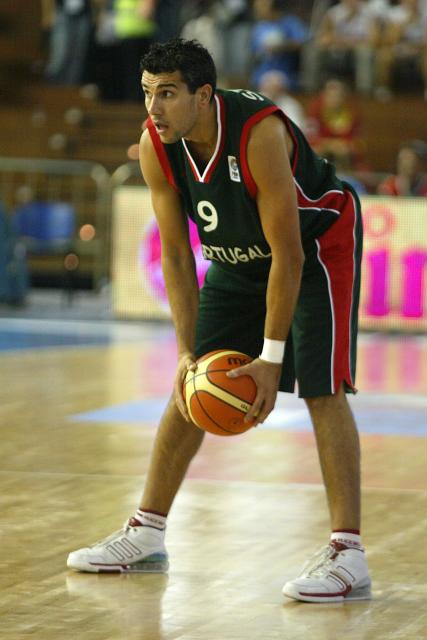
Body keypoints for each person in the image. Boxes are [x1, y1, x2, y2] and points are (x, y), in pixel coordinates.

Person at [67, 38, 371, 604]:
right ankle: (147, 532)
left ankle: (347, 553)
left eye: (167, 94)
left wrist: (270, 360)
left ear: (204, 95)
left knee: (322, 388)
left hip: (314, 247)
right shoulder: (156, 145)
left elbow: (288, 255)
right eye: (147, 93)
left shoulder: (259, 133)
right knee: (192, 384)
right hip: (235, 258)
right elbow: (176, 255)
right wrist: (187, 352)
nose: (154, 108)